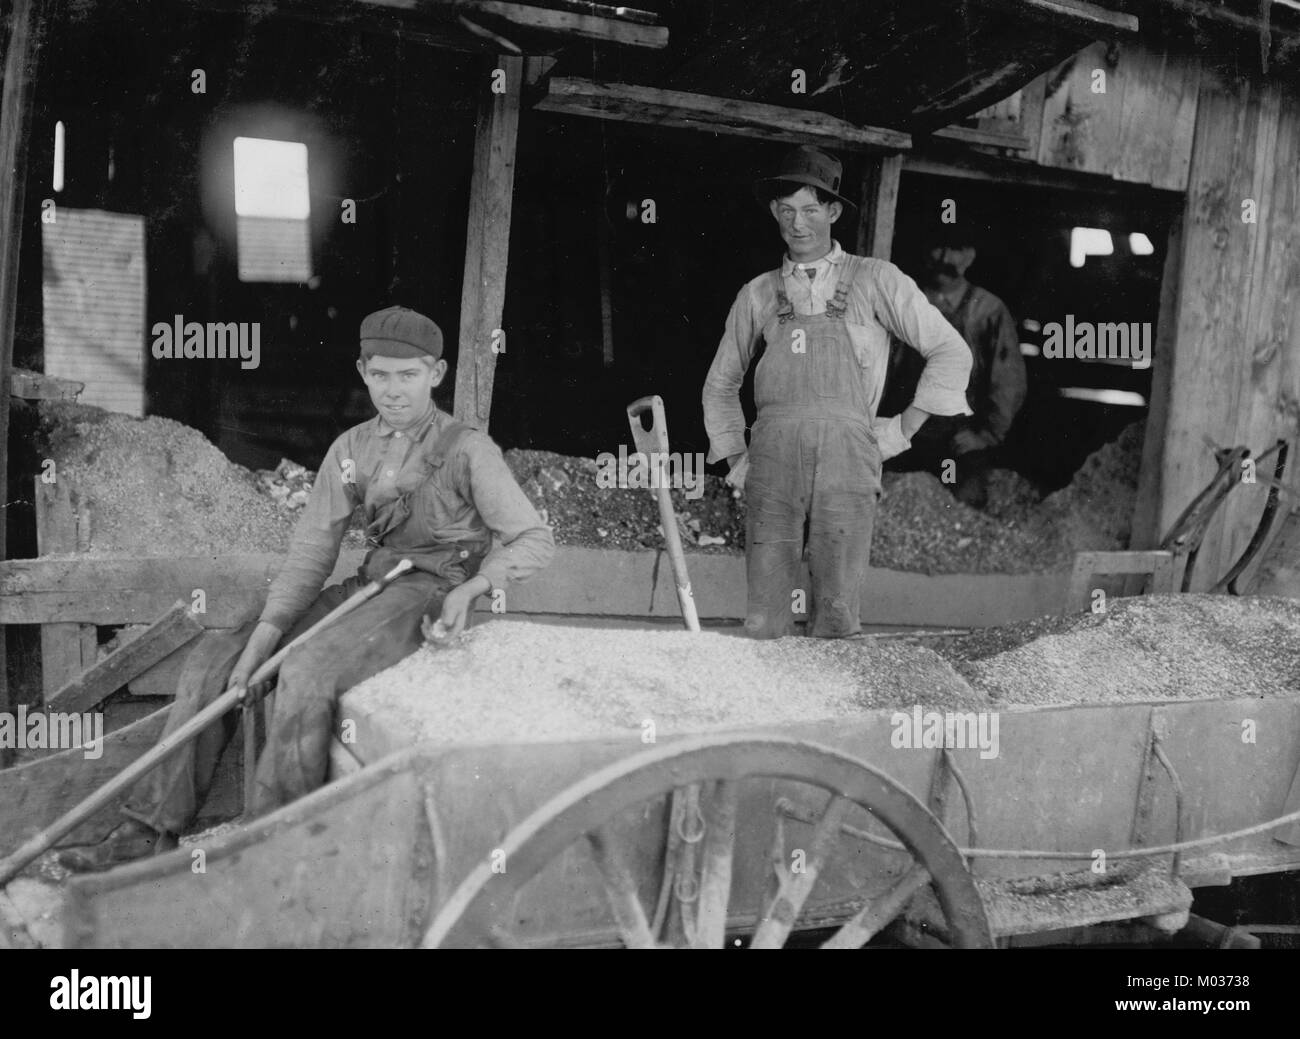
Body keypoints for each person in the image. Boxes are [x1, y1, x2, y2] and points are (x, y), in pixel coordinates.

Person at [61, 306, 555, 871]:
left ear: (436, 374)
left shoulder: (468, 450)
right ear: (363, 372)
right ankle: (147, 832)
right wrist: (263, 637)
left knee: (308, 671)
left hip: (429, 588)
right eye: (381, 375)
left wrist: (476, 589)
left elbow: (532, 539)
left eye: (409, 375)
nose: (393, 391)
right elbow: (312, 553)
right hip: (372, 578)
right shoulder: (350, 450)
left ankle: (273, 845)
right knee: (215, 659)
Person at [702, 146, 972, 640]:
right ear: (773, 213)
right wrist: (737, 456)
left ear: (832, 211)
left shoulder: (875, 280)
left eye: (809, 210)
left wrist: (899, 431)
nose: (797, 224)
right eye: (786, 211)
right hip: (773, 461)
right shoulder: (758, 294)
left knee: (837, 614)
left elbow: (951, 351)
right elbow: (720, 384)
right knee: (764, 619)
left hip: (849, 459)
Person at [904, 227, 1027, 508]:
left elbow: (1007, 380)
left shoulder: (988, 311)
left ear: (970, 256)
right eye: (939, 246)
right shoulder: (907, 302)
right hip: (909, 435)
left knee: (961, 510)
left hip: (959, 440)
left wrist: (986, 435)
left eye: (956, 249)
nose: (946, 257)